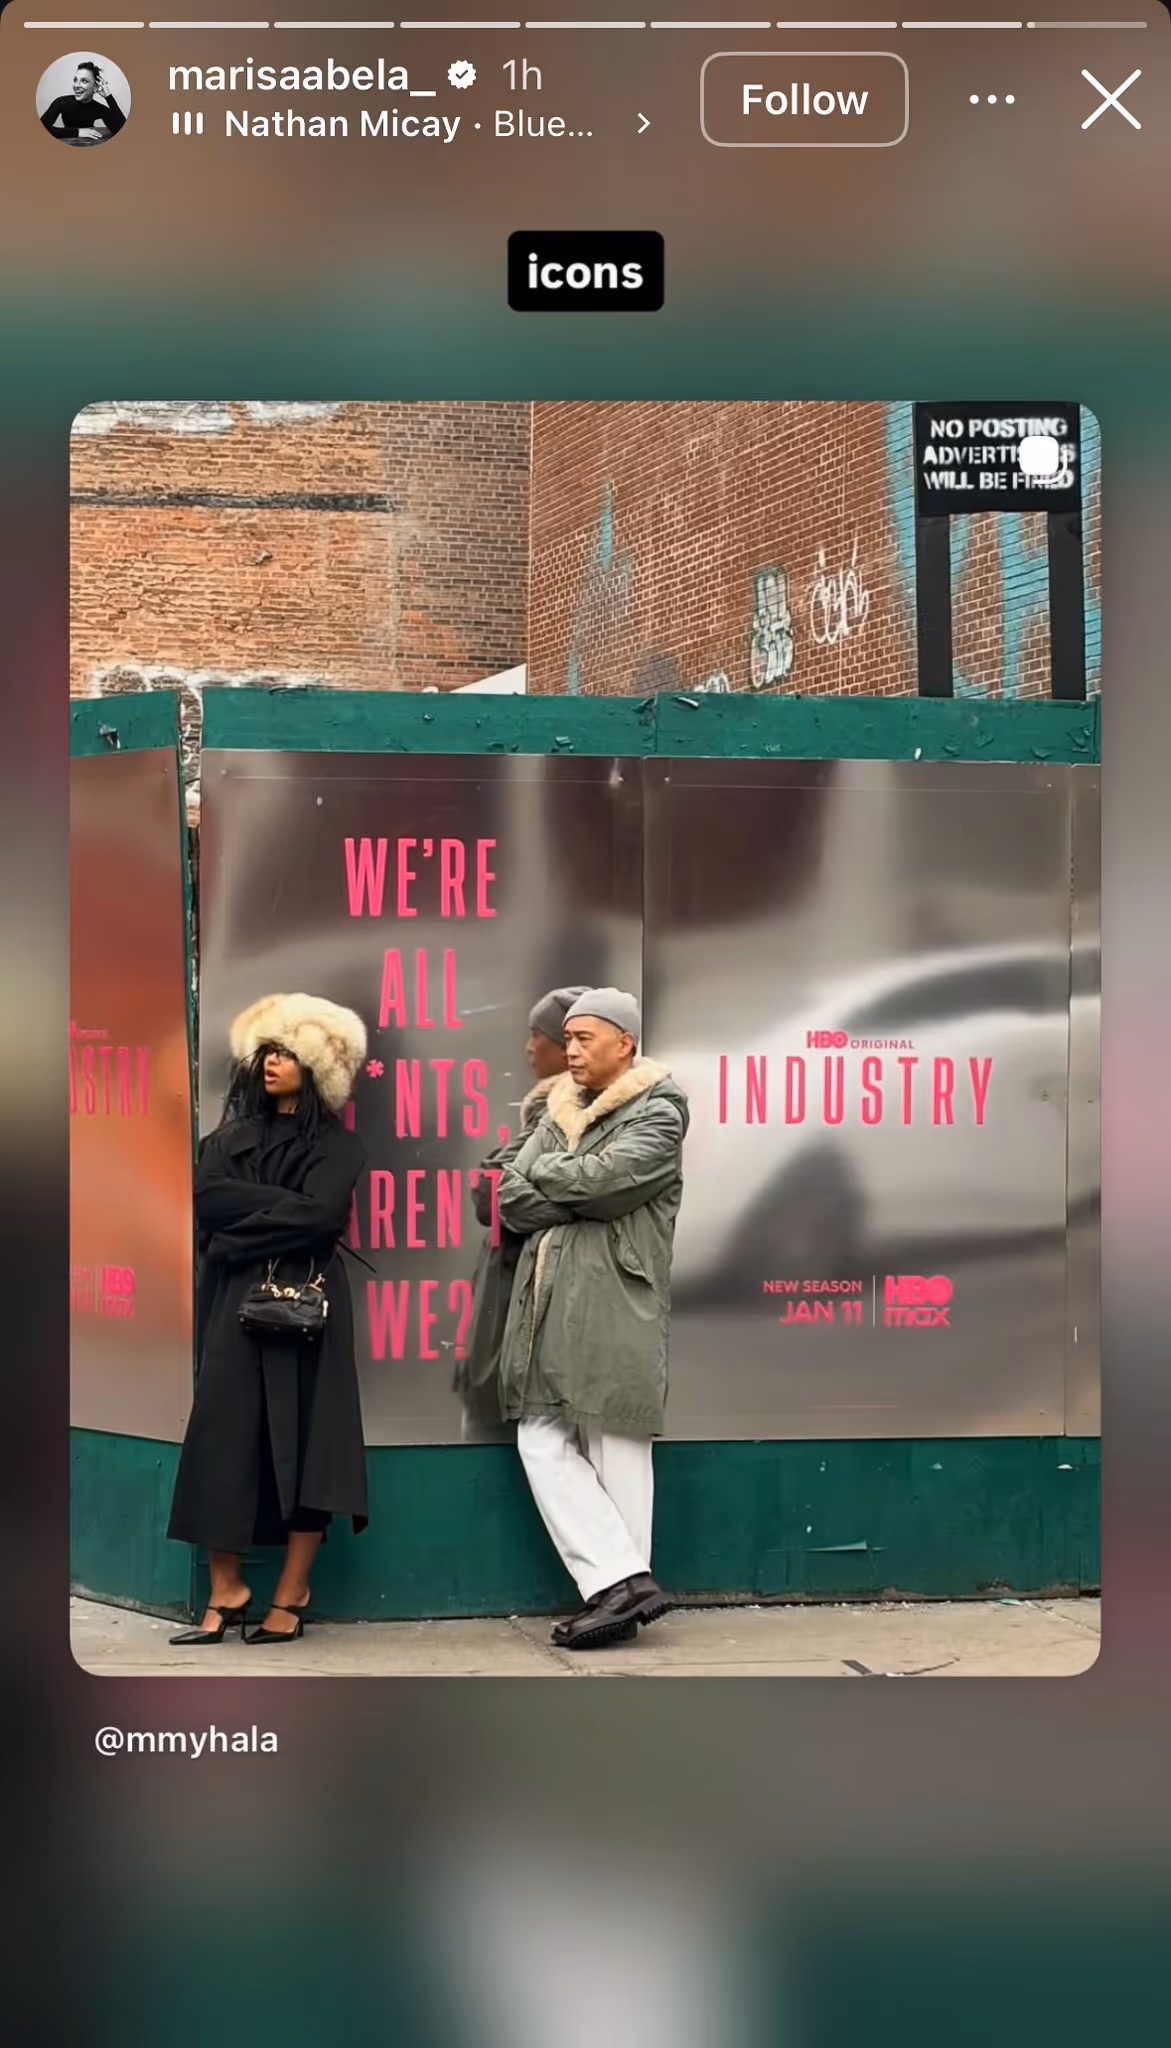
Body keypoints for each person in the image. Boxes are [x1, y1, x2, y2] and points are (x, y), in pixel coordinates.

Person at [167, 993, 368, 1646]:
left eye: (286, 1053)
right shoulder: (222, 1141)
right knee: (221, 1436)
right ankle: (227, 1589)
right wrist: (279, 1211)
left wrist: (235, 1236)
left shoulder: (340, 1146)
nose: (272, 1064)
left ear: (315, 1067)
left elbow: (321, 1216)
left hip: (309, 1304)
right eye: (266, 1052)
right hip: (232, 1303)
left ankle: (292, 1589)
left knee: (309, 1442)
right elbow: (207, 1199)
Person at [496, 988, 689, 1650]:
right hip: (546, 1297)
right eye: (567, 1038)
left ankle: (617, 1600)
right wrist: (570, 1185)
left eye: (583, 1038)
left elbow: (609, 1183)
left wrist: (554, 1180)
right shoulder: (556, 1108)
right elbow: (506, 1195)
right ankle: (623, 1580)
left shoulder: (660, 1111)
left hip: (614, 1296)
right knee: (540, 1436)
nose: (567, 1049)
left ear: (624, 1043)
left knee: (617, 1445)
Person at [455, 986, 588, 1442]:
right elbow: (491, 1193)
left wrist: (514, 1195)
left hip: (528, 1303)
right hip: (509, 1294)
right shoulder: (542, 1113)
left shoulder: (571, 1117)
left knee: (514, 1439)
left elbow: (491, 1194)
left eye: (538, 1034)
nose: (529, 1046)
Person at [41, 60, 127, 144]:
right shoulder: (61, 102)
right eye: (75, 80)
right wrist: (77, 132)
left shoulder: (99, 108)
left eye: (84, 81)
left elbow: (121, 130)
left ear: (95, 87)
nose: (77, 85)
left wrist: (108, 96)